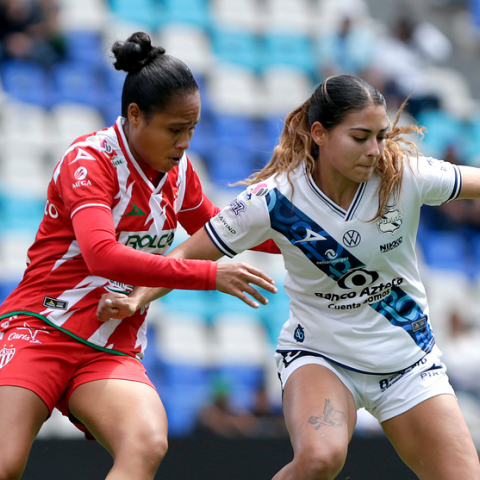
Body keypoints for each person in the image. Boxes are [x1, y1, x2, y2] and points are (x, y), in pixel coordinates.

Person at [98, 74, 480, 479]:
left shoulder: (405, 176)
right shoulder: (274, 199)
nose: (375, 150)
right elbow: (188, 253)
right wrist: (138, 297)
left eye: (381, 136)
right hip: (323, 358)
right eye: (360, 136)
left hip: (408, 363)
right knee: (320, 458)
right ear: (319, 133)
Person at [0, 31, 279, 480]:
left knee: (146, 442)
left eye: (192, 129)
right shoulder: (89, 162)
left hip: (109, 346)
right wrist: (208, 275)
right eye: (174, 129)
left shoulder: (179, 172)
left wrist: (308, 232)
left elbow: (222, 231)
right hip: (40, 329)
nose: (186, 142)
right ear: (134, 115)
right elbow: (102, 256)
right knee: (4, 464)